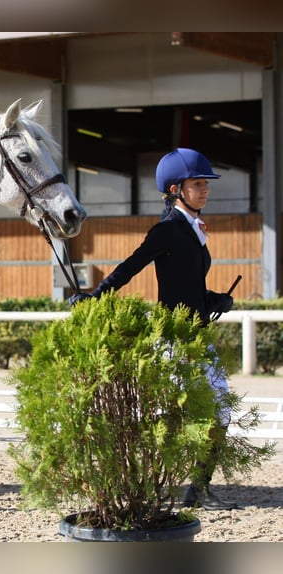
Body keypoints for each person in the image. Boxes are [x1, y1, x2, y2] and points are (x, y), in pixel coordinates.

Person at [70, 147, 236, 510]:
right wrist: (95, 296)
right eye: (197, 183)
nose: (205, 189)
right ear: (176, 189)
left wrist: (214, 299)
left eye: (205, 183)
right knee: (174, 417)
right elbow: (131, 266)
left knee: (221, 410)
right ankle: (147, 483)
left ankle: (200, 486)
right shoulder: (167, 230)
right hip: (175, 338)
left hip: (197, 333)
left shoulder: (193, 230)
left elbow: (186, 285)